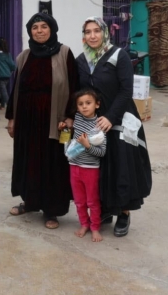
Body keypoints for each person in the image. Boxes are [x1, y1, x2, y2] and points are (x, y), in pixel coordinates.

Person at [75, 17, 152, 238]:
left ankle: (124, 214)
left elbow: (126, 90)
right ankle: (107, 208)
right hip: (95, 122)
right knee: (100, 166)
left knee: (122, 167)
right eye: (87, 31)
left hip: (120, 119)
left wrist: (110, 117)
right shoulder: (82, 60)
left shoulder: (119, 56)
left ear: (104, 33)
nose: (92, 35)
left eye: (96, 31)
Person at [6, 13, 77, 229]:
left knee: (51, 163)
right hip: (27, 119)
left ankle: (51, 211)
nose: (39, 31)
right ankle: (30, 201)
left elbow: (74, 87)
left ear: (52, 29)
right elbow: (15, 88)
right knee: (28, 161)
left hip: (53, 119)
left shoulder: (64, 53)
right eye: (34, 27)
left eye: (44, 26)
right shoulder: (24, 56)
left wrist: (70, 116)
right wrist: (12, 118)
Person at [59, 88, 107, 242]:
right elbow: (66, 139)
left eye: (88, 103)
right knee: (79, 201)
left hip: (91, 169)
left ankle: (95, 227)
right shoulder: (77, 118)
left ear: (97, 105)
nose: (84, 106)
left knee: (92, 201)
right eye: (80, 104)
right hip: (74, 166)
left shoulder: (100, 124)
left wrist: (87, 145)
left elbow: (102, 153)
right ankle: (84, 224)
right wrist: (64, 129)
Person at [0, 37, 16, 110]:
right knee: (3, 90)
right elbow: (12, 65)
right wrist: (11, 71)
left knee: (3, 91)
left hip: (0, 75)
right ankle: (2, 105)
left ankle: (9, 106)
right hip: (7, 75)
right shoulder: (7, 54)